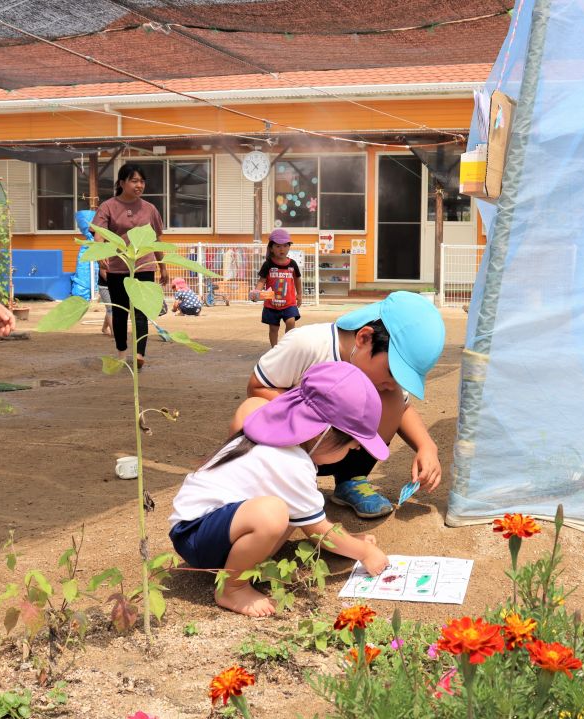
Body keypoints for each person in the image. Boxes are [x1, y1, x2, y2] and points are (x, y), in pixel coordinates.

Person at [170, 361, 391, 617]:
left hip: (214, 527)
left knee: (295, 507)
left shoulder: (277, 434)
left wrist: (349, 541)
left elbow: (309, 518)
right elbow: (318, 530)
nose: (351, 452)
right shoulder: (290, 462)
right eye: (349, 446)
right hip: (195, 536)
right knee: (273, 512)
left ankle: (245, 561)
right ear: (325, 432)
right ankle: (232, 587)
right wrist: (363, 551)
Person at [236, 291, 446, 518]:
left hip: (341, 450)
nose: (393, 383)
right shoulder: (308, 344)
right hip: (296, 444)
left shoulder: (384, 381)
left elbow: (403, 408)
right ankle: (284, 480)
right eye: (392, 372)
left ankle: (351, 478)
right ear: (364, 338)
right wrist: (312, 417)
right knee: (255, 407)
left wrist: (427, 447)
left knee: (392, 398)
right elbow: (257, 389)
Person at [93, 163, 168, 370]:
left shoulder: (150, 209)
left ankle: (139, 354)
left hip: (144, 266)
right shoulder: (107, 206)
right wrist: (100, 255)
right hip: (118, 268)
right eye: (134, 180)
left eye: (142, 181)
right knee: (120, 313)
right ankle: (121, 353)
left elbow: (157, 238)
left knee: (141, 312)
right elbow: (99, 234)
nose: (139, 185)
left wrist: (162, 266)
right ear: (121, 183)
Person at [255, 228, 302, 347]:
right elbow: (262, 280)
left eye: (285, 245)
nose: (282, 249)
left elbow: (297, 279)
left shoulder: (292, 264)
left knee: (291, 322)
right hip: (272, 304)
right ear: (271, 248)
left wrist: (299, 294)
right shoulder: (268, 264)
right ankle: (275, 349)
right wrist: (256, 292)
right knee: (273, 328)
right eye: (278, 246)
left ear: (289, 247)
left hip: (289, 303)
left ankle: (286, 346)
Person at [97, 264, 113, 336]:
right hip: (104, 287)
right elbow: (103, 273)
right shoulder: (104, 257)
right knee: (110, 309)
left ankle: (104, 328)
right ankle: (114, 332)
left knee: (112, 308)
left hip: (115, 286)